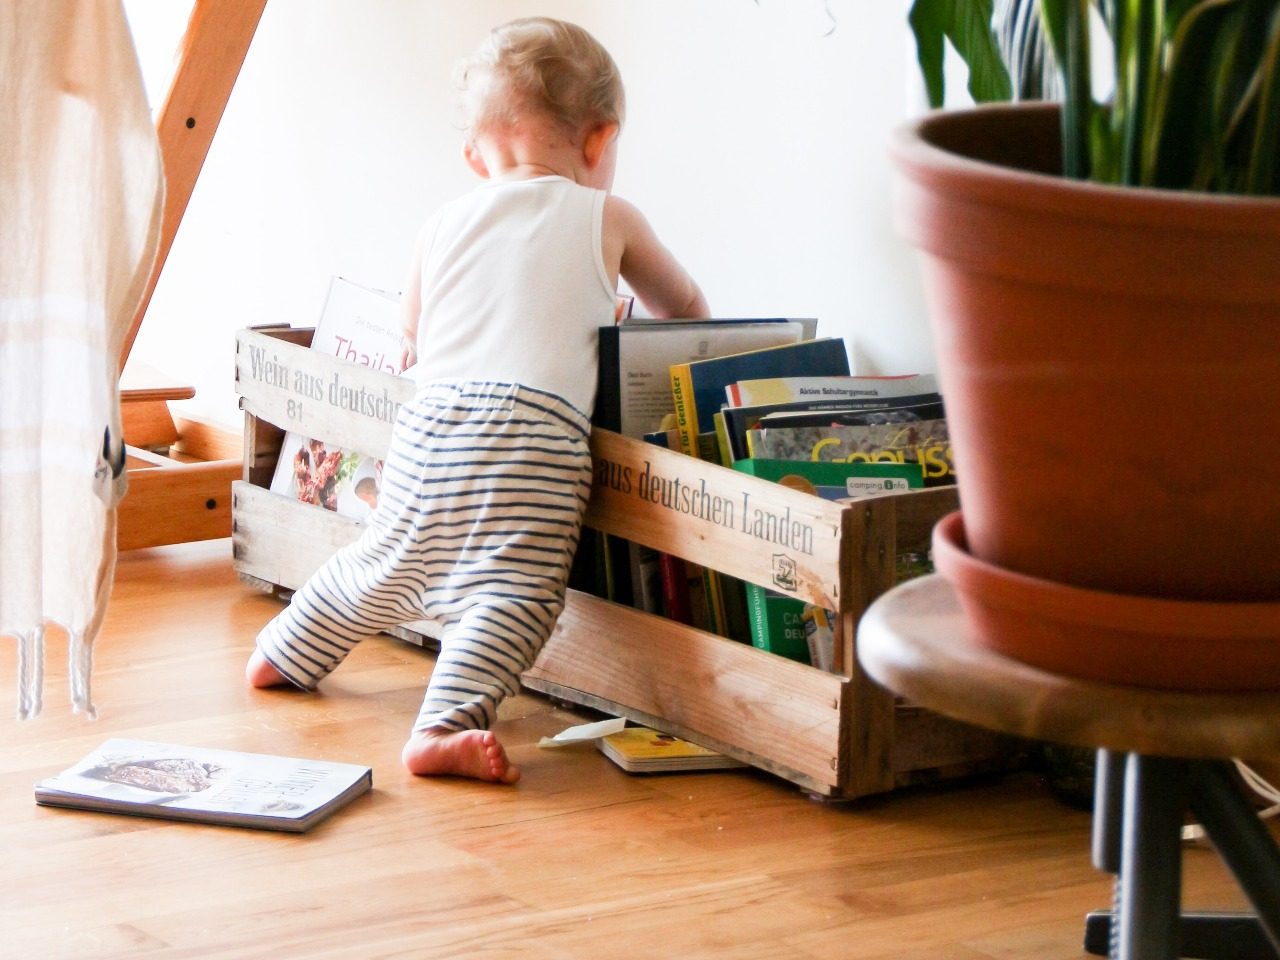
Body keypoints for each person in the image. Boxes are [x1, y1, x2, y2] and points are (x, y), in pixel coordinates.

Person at [245, 17, 709, 785]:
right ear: (599, 142)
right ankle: (443, 724)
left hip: (432, 425)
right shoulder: (609, 217)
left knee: (387, 560)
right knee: (515, 590)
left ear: (475, 155)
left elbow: (412, 338)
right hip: (535, 436)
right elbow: (686, 311)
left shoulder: (440, 224)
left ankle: (284, 651)